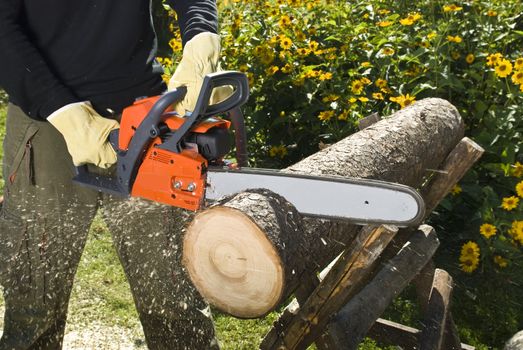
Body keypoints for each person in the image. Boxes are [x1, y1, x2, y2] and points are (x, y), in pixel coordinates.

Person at [0, 0, 226, 348]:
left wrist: (201, 35)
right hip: (46, 124)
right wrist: (62, 109)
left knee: (174, 301)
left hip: (143, 118)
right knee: (34, 304)